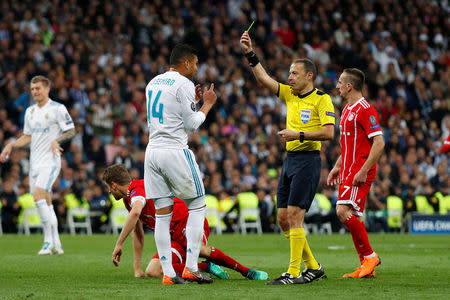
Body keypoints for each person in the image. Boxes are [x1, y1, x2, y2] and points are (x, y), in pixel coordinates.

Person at [240, 31, 335, 285]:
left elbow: (329, 132)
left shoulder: (322, 99)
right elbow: (263, 78)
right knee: (283, 219)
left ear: (309, 76)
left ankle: (293, 273)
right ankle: (313, 267)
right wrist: (250, 53)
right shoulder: (289, 94)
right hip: (290, 160)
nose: (289, 77)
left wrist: (298, 134)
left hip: (308, 160)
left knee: (295, 214)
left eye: (294, 73)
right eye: (290, 73)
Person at [102, 164, 268, 284]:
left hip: (188, 221)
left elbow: (136, 211)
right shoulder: (127, 200)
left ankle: (247, 271)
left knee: (200, 249)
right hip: (171, 236)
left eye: (109, 187)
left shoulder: (138, 189)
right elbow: (137, 231)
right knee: (153, 270)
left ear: (114, 185)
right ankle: (205, 267)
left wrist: (118, 243)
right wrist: (137, 268)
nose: (109, 191)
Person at [144, 44, 217, 284]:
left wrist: (192, 104)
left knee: (163, 215)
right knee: (197, 205)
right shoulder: (184, 84)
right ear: (185, 63)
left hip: (152, 152)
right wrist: (206, 104)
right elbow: (193, 124)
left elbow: (176, 117)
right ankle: (191, 268)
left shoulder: (153, 83)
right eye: (195, 63)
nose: (196, 68)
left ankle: (168, 274)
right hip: (174, 150)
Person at [0, 75, 75, 254]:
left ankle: (47, 242)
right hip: (35, 162)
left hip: (50, 161)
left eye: (38, 88)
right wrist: (11, 144)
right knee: (46, 202)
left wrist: (57, 140)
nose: (35, 92)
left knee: (38, 196)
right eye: (33, 89)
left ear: (47, 89)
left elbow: (71, 130)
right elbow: (28, 136)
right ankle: (57, 243)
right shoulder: (30, 112)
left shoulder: (58, 108)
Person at [327, 68, 384, 278]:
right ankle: (366, 267)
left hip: (359, 170)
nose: (337, 86)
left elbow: (379, 143)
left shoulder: (365, 109)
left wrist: (363, 170)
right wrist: (337, 166)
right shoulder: (347, 110)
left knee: (342, 211)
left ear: (349, 86)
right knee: (354, 217)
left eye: (340, 82)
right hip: (349, 170)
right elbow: (349, 145)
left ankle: (370, 257)